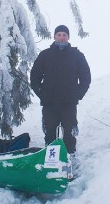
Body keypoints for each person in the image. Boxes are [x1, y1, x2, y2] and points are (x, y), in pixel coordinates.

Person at [29, 25, 91, 154]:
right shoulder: (45, 55)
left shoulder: (77, 55)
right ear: (54, 36)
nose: (61, 37)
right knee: (50, 131)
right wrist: (41, 94)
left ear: (68, 37)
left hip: (69, 102)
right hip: (49, 102)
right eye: (59, 35)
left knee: (69, 132)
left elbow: (86, 78)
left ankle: (70, 158)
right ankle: (51, 160)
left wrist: (78, 94)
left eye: (64, 35)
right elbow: (34, 77)